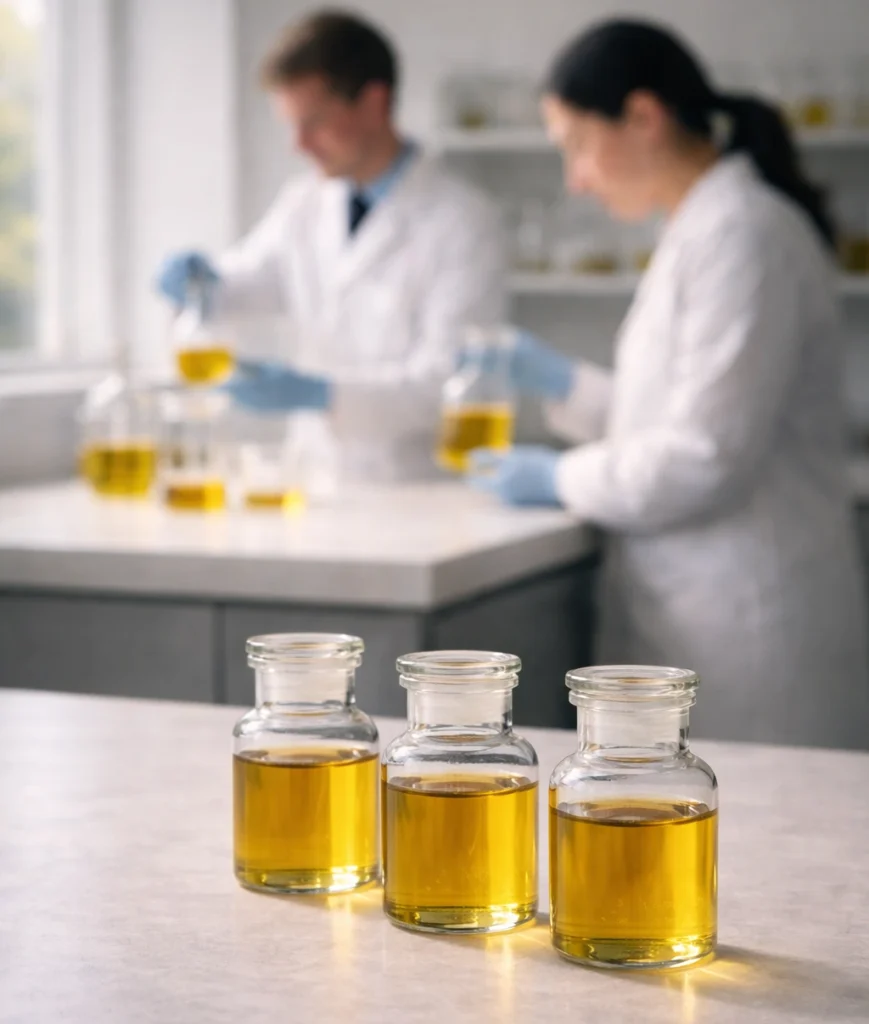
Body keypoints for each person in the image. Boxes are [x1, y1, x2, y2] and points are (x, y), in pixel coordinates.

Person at [470, 19, 869, 748]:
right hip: (696, 609)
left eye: (577, 146)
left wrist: (561, 476)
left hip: (750, 623)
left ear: (644, 118)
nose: (576, 179)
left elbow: (703, 456)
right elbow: (668, 416)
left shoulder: (743, 235)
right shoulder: (702, 229)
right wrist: (563, 385)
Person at [155, 10, 504, 481]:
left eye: (314, 123)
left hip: (414, 491)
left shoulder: (461, 222)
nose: (298, 145)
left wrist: (323, 394)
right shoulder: (303, 206)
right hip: (313, 482)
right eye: (291, 125)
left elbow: (445, 382)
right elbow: (247, 281)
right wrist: (203, 282)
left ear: (374, 102)